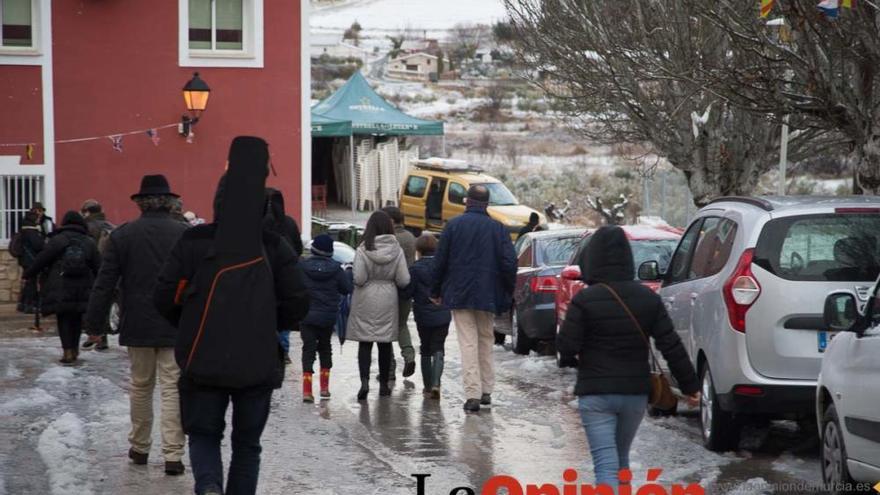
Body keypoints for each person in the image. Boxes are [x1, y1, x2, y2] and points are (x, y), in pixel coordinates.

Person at [155, 136, 309, 495]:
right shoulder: (273, 245)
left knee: (205, 435)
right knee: (247, 445)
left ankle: (209, 487)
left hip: (202, 357)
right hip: (256, 362)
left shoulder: (194, 242)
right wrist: (267, 320)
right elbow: (298, 301)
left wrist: (191, 322)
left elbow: (163, 296)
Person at [557, 225, 700, 489]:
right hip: (635, 394)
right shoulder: (648, 298)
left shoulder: (584, 300)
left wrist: (574, 357)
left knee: (605, 465)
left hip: (596, 392)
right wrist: (690, 386)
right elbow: (671, 345)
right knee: (620, 461)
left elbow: (565, 348)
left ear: (591, 258)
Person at [83, 175, 189, 475]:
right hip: (175, 321)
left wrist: (95, 323)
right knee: (172, 388)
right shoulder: (184, 233)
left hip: (138, 321)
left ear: (140, 202)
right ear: (169, 202)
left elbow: (104, 283)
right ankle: (173, 454)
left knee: (141, 386)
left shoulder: (123, 235)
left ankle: (140, 447)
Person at [432, 185, 517, 412]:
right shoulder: (498, 229)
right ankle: (487, 390)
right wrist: (507, 293)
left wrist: (435, 291)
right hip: (488, 294)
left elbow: (439, 261)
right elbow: (509, 264)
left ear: (467, 202)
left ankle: (473, 394)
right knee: (485, 340)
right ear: (487, 204)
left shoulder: (453, 226)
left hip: (459, 293)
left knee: (468, 342)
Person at [347, 211, 410, 401]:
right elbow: (404, 279)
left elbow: (358, 278)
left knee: (365, 342)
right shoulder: (396, 250)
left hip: (365, 298)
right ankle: (384, 385)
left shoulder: (362, 249)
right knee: (384, 343)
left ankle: (364, 382)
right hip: (388, 299)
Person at [22, 211, 100, 364]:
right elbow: (98, 265)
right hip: (82, 287)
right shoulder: (88, 241)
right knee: (77, 318)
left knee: (63, 318)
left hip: (60, 286)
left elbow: (41, 260)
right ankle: (75, 349)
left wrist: (28, 274)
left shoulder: (58, 240)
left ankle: (67, 351)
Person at [298, 234, 352, 402]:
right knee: (325, 348)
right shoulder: (336, 269)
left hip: (306, 315)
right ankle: (324, 389)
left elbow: (295, 286)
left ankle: (307, 391)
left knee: (308, 350)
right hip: (327, 317)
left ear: (313, 250)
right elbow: (346, 289)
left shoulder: (302, 266)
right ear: (330, 252)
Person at [407, 233, 451, 399]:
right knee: (439, 346)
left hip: (423, 314)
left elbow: (409, 291)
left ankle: (426, 387)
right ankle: (436, 384)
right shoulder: (444, 267)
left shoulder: (415, 269)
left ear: (418, 250)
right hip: (443, 312)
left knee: (425, 347)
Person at [264, 187, 305, 365]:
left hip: (262, 275)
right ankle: (283, 350)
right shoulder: (288, 223)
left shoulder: (254, 223)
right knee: (282, 314)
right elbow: (298, 247)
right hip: (284, 276)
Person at [381, 206, 417, 379]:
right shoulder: (410, 237)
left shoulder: (389, 239)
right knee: (402, 324)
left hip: (388, 288)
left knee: (385, 329)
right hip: (406, 288)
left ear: (391, 221)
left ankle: (389, 369)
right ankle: (409, 355)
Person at [80, 199, 116, 350]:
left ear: (87, 212)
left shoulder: (85, 227)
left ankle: (95, 334)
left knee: (91, 304)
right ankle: (102, 337)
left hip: (90, 270)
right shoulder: (110, 226)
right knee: (104, 304)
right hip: (109, 270)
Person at [12, 212, 45, 314]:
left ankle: (22, 304)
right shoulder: (31, 232)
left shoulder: (23, 230)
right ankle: (30, 305)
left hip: (25, 261)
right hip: (31, 260)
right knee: (32, 283)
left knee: (27, 282)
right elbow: (38, 245)